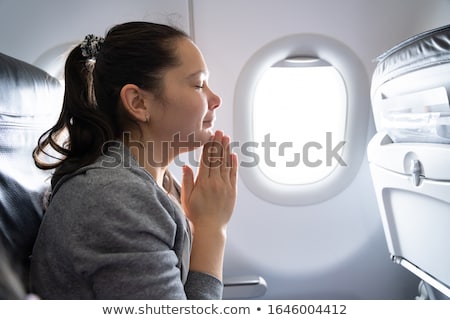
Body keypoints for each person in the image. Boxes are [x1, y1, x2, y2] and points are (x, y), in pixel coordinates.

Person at [30, 21, 238, 299]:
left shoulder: (156, 182)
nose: (216, 99)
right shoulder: (114, 199)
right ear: (139, 103)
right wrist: (212, 228)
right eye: (199, 84)